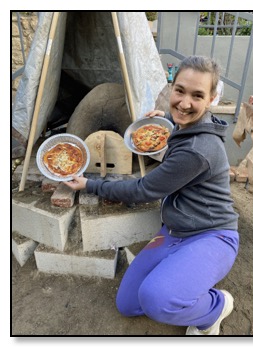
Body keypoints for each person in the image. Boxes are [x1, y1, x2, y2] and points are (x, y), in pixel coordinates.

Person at [64, 55, 239, 335]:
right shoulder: (190, 123)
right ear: (171, 88)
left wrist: (90, 184)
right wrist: (168, 117)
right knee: (129, 304)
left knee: (157, 300)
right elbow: (184, 115)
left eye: (197, 95)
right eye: (180, 91)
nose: (184, 102)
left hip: (212, 236)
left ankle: (215, 308)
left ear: (211, 100)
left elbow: (142, 190)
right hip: (176, 231)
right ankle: (182, 279)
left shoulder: (196, 150)